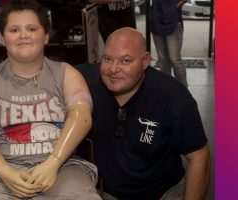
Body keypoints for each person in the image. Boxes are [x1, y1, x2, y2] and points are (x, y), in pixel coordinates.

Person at [0, 0, 101, 199]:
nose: (23, 35)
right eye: (14, 30)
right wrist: (4, 171)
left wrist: (54, 161)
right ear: (2, 38)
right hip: (2, 168)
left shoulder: (67, 74)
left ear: (46, 36)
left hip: (63, 166)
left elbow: (81, 115)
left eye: (31, 28)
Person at [76, 27, 211, 200]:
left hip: (163, 192)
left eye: (125, 61)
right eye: (108, 59)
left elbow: (199, 156)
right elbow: (46, 70)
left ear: (145, 61)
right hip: (102, 191)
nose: (113, 69)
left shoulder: (173, 96)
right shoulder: (81, 81)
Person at [150, 0, 188, 87]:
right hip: (156, 21)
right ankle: (167, 90)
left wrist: (175, 6)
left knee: (175, 60)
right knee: (163, 60)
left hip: (173, 21)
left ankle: (184, 92)